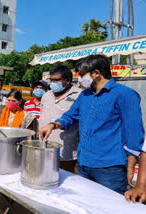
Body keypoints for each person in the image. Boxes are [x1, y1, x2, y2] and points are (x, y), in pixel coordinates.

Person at [40, 54, 145, 195]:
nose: (80, 78)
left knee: (108, 206)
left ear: (96, 73)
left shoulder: (124, 94)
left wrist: (130, 167)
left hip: (109, 167)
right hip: (84, 163)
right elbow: (71, 115)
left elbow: (134, 133)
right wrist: (53, 125)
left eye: (82, 75)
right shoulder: (85, 95)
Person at [38, 65, 82, 173]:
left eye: (56, 80)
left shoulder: (79, 95)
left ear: (67, 80)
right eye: (51, 80)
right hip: (45, 150)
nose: (52, 83)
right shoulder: (46, 95)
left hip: (68, 155)